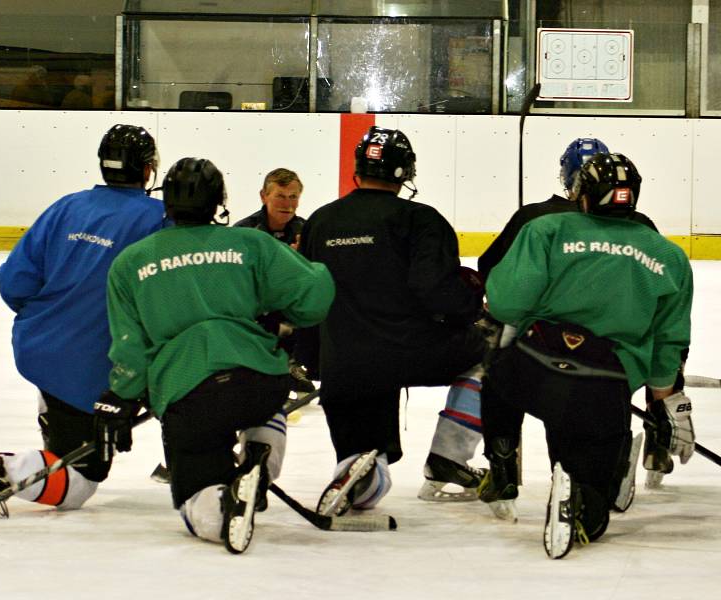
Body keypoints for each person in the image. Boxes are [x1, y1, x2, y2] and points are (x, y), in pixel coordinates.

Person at [94, 157, 334, 554]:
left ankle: (222, 506)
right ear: (219, 201)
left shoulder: (130, 263)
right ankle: (259, 463)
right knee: (266, 410)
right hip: (258, 378)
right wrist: (282, 315)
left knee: (200, 506)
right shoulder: (251, 243)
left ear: (166, 202)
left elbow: (129, 347)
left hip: (187, 390)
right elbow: (315, 295)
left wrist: (121, 394)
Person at [0, 124, 166, 517]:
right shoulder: (159, 218)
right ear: (147, 170)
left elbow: (14, 281)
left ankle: (45, 432)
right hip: (99, 366)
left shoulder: (68, 205)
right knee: (80, 481)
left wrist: (54, 321)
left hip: (43, 350)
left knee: (69, 450)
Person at [421, 138, 660, 506]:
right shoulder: (643, 226)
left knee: (497, 373)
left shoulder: (536, 218)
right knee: (604, 391)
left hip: (546, 336)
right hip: (620, 348)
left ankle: (498, 464)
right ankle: (636, 446)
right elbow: (660, 299)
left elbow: (494, 273)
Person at [476, 152, 694, 559]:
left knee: (501, 373)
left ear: (582, 193)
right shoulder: (668, 256)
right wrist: (667, 402)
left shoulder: (546, 229)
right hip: (608, 380)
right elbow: (669, 339)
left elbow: (505, 304)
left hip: (535, 366)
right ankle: (585, 492)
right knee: (595, 456)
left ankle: (504, 459)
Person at [297, 125, 485, 517]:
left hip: (344, 363)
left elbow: (308, 298)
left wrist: (316, 360)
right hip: (413, 352)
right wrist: (471, 306)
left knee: (364, 456)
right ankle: (449, 455)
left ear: (357, 168)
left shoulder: (321, 221)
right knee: (493, 356)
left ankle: (361, 470)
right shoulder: (420, 219)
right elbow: (435, 290)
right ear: (406, 172)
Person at [234, 168, 315, 395]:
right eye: (280, 196)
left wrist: (302, 261)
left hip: (290, 306)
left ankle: (293, 364)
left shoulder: (306, 231)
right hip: (252, 306)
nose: (287, 204)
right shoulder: (244, 232)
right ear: (264, 196)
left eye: (293, 197)